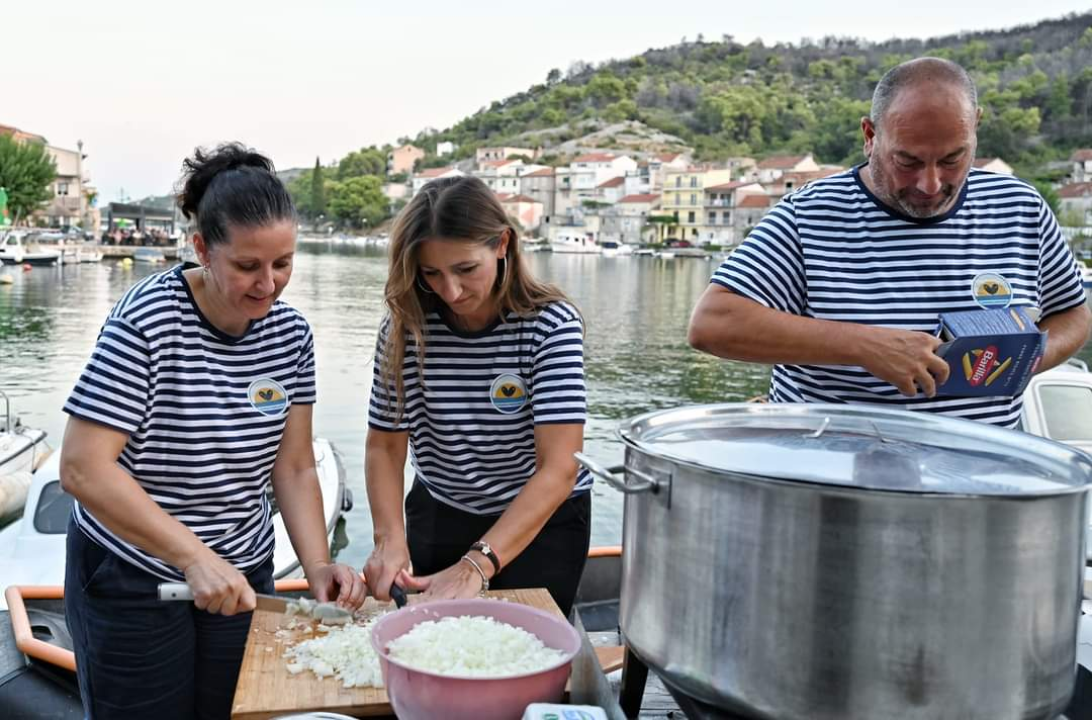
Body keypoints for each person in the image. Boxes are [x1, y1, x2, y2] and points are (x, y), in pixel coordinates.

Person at [60, 143, 367, 720]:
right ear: (201, 248)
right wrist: (192, 557)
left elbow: (295, 465)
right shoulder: (147, 320)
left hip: (242, 569)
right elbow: (83, 467)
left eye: (283, 263)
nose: (269, 284)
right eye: (248, 266)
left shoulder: (291, 336)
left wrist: (320, 564)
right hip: (133, 571)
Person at [688, 57, 1092, 427]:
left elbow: (1072, 315)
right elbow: (713, 324)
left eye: (953, 159)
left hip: (979, 483)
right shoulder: (807, 215)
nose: (931, 184)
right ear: (870, 135)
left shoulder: (1020, 207)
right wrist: (864, 345)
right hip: (832, 479)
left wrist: (1019, 361)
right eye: (908, 161)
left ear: (976, 128)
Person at [364, 175, 591, 617]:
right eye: (432, 273)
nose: (450, 291)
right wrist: (389, 540)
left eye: (466, 269)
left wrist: (475, 564)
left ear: (502, 244)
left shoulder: (550, 326)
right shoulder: (404, 328)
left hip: (544, 521)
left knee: (524, 658)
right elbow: (385, 446)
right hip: (440, 511)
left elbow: (560, 467)